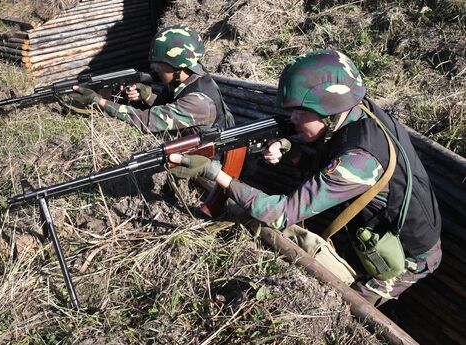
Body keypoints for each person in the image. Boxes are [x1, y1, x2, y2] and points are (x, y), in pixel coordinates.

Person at [168, 49, 442, 306]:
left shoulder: (359, 161)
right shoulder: (357, 111)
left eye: (299, 111)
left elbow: (280, 213)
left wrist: (215, 173)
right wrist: (289, 149)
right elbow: (327, 156)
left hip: (409, 254)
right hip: (377, 224)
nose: (292, 118)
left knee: (346, 307)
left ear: (329, 108)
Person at [68, 24, 234, 134]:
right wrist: (147, 96)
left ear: (178, 66)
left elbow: (146, 121)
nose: (155, 70)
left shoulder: (198, 102)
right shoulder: (192, 75)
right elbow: (174, 108)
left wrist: (99, 101)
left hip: (205, 165)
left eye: (160, 66)